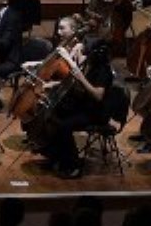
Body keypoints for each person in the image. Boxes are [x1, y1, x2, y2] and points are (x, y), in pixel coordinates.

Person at [25, 36, 118, 180]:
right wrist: (55, 84)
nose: (84, 56)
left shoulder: (103, 71)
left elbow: (98, 96)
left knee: (63, 126)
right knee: (53, 115)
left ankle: (73, 165)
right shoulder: (90, 64)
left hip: (96, 112)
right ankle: (56, 156)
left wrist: (81, 77)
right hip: (84, 105)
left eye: (87, 53)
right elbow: (74, 82)